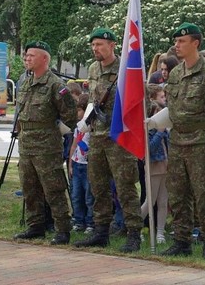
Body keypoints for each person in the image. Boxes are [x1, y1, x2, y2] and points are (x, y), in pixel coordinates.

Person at [148, 22, 205, 260]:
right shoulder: (176, 74)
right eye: (176, 41)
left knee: (204, 194)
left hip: (202, 143)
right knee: (178, 193)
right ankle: (182, 240)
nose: (176, 45)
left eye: (181, 41)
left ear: (195, 43)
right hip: (177, 141)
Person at [73, 28, 143, 253]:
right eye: (93, 45)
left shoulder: (125, 69)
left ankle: (134, 234)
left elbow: (139, 102)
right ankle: (100, 231)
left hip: (119, 137)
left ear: (112, 45)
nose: (95, 49)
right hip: (97, 136)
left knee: (125, 187)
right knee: (98, 187)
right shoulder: (93, 69)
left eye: (100, 45)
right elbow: (93, 99)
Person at [13, 41, 77, 246]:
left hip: (47, 147)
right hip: (26, 144)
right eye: (26, 55)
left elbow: (70, 116)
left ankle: (62, 229)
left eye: (31, 55)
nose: (27, 59)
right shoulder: (25, 82)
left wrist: (54, 131)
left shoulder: (56, 85)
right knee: (29, 187)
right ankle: (35, 226)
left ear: (44, 59)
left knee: (53, 188)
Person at [141, 100, 169, 244]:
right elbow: (149, 149)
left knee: (163, 202)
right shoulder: (149, 130)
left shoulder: (166, 130)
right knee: (150, 201)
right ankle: (136, 228)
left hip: (166, 166)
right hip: (153, 168)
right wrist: (159, 133)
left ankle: (160, 233)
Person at [69, 93, 95, 233]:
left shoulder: (91, 129)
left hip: (87, 166)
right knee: (76, 195)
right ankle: (78, 221)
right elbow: (74, 145)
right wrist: (70, 164)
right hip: (77, 164)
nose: (76, 113)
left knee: (89, 196)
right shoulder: (78, 127)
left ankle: (90, 222)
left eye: (79, 110)